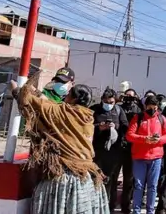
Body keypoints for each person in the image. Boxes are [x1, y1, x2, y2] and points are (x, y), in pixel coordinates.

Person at [9, 77, 107, 214]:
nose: (66, 95)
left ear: (74, 99)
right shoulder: (87, 117)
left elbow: (35, 104)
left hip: (64, 179)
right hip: (86, 179)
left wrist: (17, 91)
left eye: (69, 93)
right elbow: (48, 103)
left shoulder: (61, 112)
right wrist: (36, 91)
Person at [126, 95, 166, 214]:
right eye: (150, 108)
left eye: (155, 108)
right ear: (145, 107)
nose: (153, 110)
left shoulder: (162, 119)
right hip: (139, 157)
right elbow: (129, 135)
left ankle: (150, 211)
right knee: (138, 186)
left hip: (155, 157)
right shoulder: (138, 118)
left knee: (152, 186)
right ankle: (136, 211)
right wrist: (145, 139)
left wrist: (159, 140)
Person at [92, 88, 129, 212]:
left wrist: (115, 126)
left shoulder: (119, 111)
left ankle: (109, 206)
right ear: (102, 100)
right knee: (95, 178)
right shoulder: (94, 109)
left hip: (114, 151)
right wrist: (99, 127)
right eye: (106, 102)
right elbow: (87, 126)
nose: (108, 104)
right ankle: (94, 205)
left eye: (111, 102)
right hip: (97, 150)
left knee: (111, 180)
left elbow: (125, 127)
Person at [120, 89, 145, 213]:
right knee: (113, 178)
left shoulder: (138, 111)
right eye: (127, 95)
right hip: (118, 147)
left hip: (131, 147)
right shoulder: (119, 108)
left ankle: (126, 204)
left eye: (131, 96)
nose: (128, 98)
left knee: (129, 179)